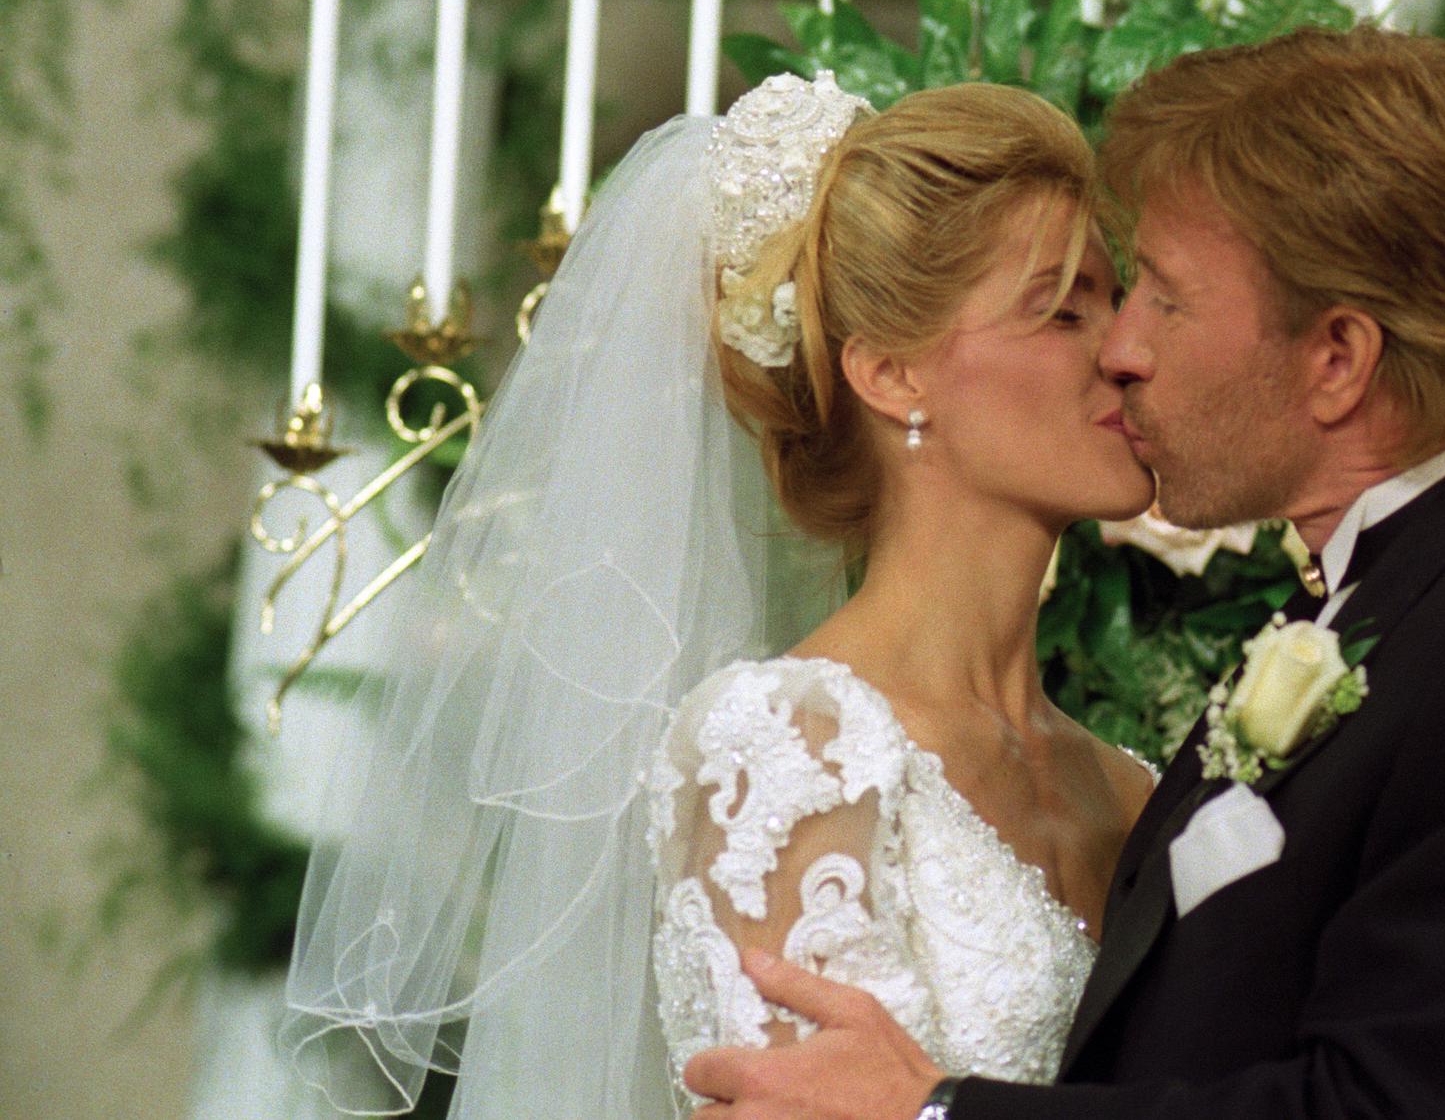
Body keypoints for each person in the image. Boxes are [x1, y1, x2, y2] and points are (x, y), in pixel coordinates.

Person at [679, 26, 1445, 1120]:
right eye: (1074, 304)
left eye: (1159, 293)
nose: (1121, 348)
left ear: (1336, 359)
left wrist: (938, 1115)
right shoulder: (1362, 615)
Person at [282, 74, 1162, 1120]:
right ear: (892, 377)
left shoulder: (1137, 787)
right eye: (1061, 311)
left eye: (1118, 299)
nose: (1123, 352)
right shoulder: (786, 747)